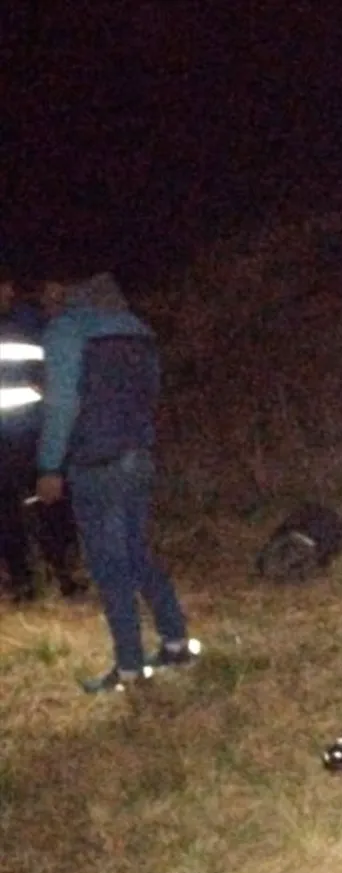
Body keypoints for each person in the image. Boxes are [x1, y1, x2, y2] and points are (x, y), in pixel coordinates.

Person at [34, 272, 199, 692]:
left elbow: (62, 404)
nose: (45, 301)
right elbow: (150, 394)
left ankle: (128, 667)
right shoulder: (139, 331)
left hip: (96, 462)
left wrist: (49, 465)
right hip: (138, 456)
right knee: (138, 553)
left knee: (110, 565)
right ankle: (176, 642)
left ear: (67, 292)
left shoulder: (67, 331)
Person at [0, 275, 87, 603]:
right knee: (8, 514)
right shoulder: (28, 323)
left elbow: (54, 368)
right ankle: (23, 582)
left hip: (33, 434)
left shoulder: (30, 323)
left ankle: (65, 577)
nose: (11, 290)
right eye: (4, 285)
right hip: (15, 438)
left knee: (49, 505)